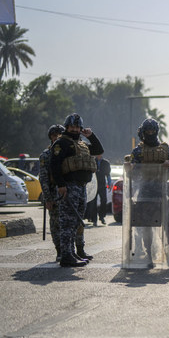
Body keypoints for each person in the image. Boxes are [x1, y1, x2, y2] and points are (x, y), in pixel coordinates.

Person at [129, 118, 169, 268]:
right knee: (147, 227)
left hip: (161, 191)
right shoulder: (137, 151)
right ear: (143, 132)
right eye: (147, 131)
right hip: (144, 192)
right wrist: (134, 167)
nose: (150, 133)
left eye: (152, 131)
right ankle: (149, 256)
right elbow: (132, 174)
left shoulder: (166, 149)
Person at [50, 114, 104, 267]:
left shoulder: (81, 143)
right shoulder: (62, 143)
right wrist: (61, 185)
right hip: (69, 186)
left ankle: (71, 252)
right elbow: (54, 165)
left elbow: (99, 149)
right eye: (72, 127)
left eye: (77, 127)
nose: (74, 129)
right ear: (67, 127)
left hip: (81, 187)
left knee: (76, 222)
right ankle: (66, 256)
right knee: (67, 221)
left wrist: (91, 135)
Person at [38, 124, 64, 261]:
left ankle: (70, 250)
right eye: (55, 135)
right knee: (55, 223)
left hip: (68, 193)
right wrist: (48, 198)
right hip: (54, 193)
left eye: (60, 135)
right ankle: (59, 250)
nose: (57, 138)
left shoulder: (68, 152)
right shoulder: (46, 155)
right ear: (51, 137)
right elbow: (43, 177)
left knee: (69, 223)